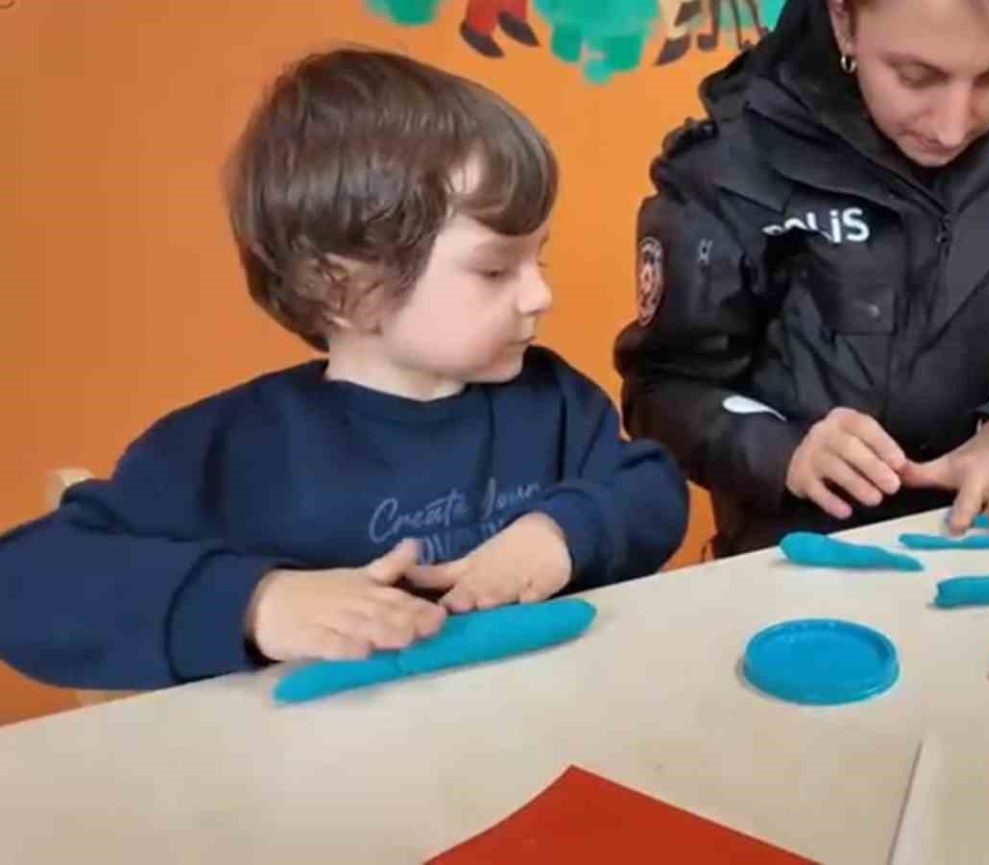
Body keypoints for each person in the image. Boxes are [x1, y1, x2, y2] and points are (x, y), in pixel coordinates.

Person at [0, 49, 689, 689]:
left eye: (539, 258)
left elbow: (652, 488)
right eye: (494, 269)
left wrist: (560, 533)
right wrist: (257, 602)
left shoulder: (552, 398)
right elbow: (24, 583)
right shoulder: (227, 450)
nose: (540, 294)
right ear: (341, 287)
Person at [615, 0, 989, 557]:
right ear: (843, 19)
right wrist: (784, 452)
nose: (951, 126)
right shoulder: (731, 158)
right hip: (799, 566)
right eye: (916, 76)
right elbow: (665, 388)